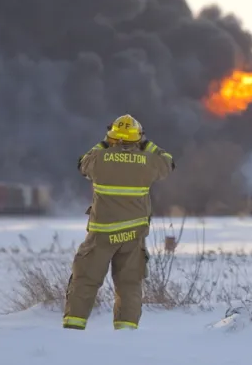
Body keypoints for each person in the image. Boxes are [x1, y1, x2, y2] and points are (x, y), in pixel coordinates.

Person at [62, 114, 175, 330]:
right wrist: (146, 143)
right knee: (130, 285)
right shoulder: (148, 161)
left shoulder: (99, 158)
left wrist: (106, 142)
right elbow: (169, 161)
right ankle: (126, 334)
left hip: (102, 234)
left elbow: (82, 163)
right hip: (133, 234)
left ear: (112, 137)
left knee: (85, 281)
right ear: (137, 139)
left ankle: (73, 328)